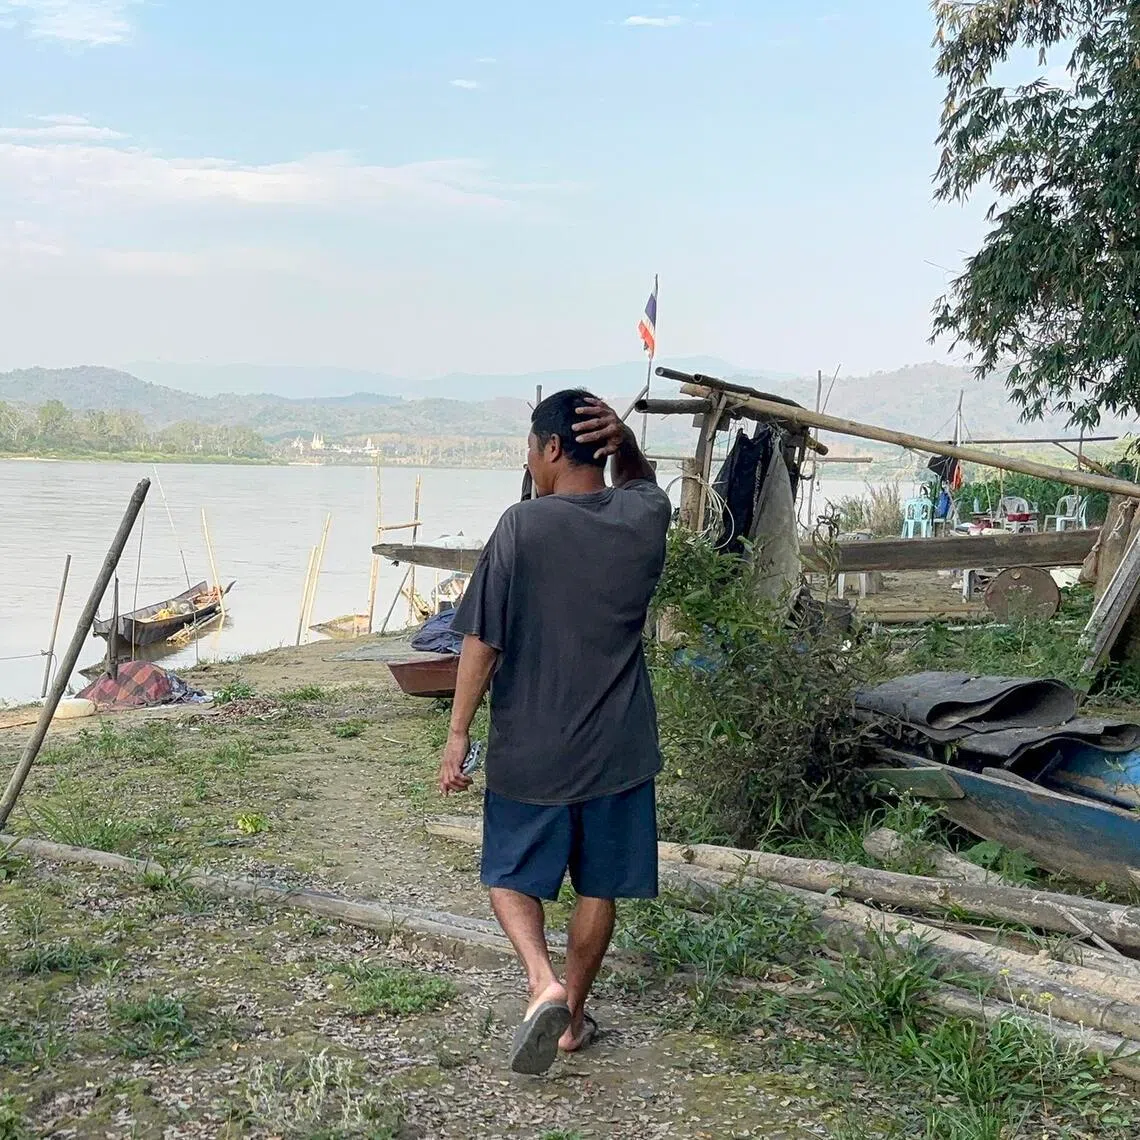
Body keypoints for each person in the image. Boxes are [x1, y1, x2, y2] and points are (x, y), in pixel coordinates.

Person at [438, 388, 671, 1075]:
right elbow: (645, 483)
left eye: (530, 451)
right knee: (599, 885)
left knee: (508, 874)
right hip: (619, 748)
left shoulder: (523, 527)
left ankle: (543, 981)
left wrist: (457, 733)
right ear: (604, 445)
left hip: (533, 748)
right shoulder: (643, 515)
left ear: (547, 450)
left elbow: (482, 640)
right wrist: (624, 442)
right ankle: (571, 1025)